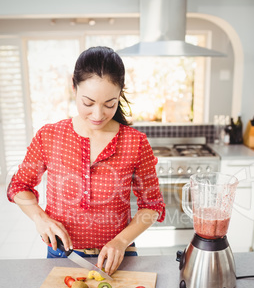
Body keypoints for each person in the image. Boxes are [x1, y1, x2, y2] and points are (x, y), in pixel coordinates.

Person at [7, 46, 165, 275]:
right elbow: (19, 186)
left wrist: (121, 242)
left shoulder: (136, 143)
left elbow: (152, 206)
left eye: (109, 104)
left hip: (119, 258)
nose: (98, 115)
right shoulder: (49, 136)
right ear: (74, 87)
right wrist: (40, 219)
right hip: (62, 255)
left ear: (120, 94)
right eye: (88, 103)